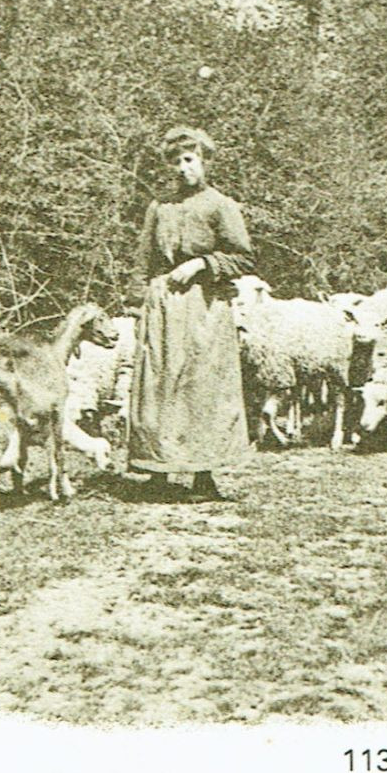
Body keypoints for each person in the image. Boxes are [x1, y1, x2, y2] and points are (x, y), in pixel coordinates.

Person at [129, 125, 255, 500]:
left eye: (189, 160)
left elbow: (244, 256)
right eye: (175, 162)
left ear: (204, 162)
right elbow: (143, 259)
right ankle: (159, 472)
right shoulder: (160, 207)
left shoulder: (220, 205)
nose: (182, 169)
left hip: (205, 307)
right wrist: (137, 304)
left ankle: (203, 476)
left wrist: (201, 264)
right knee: (159, 385)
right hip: (163, 307)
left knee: (202, 386)